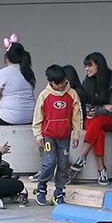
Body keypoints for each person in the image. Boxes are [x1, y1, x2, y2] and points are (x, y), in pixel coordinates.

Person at [68, 52, 112, 185]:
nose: (87, 69)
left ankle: (82, 157)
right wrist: (101, 108)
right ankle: (101, 169)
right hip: (93, 118)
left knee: (97, 122)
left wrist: (98, 109)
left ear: (99, 65)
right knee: (98, 131)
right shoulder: (88, 81)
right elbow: (86, 104)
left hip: (111, 119)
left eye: (90, 66)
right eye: (86, 66)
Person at [31, 64, 83, 206]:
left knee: (63, 164)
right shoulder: (44, 95)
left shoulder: (72, 94)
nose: (61, 86)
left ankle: (59, 191)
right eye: (57, 83)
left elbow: (77, 116)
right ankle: (41, 187)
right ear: (50, 82)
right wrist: (38, 135)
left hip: (64, 136)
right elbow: (37, 117)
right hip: (48, 136)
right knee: (49, 162)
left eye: (63, 82)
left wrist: (76, 134)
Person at [0, 40, 36, 145]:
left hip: (10, 115)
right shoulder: (28, 72)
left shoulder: (3, 73)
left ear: (7, 58)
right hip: (30, 114)